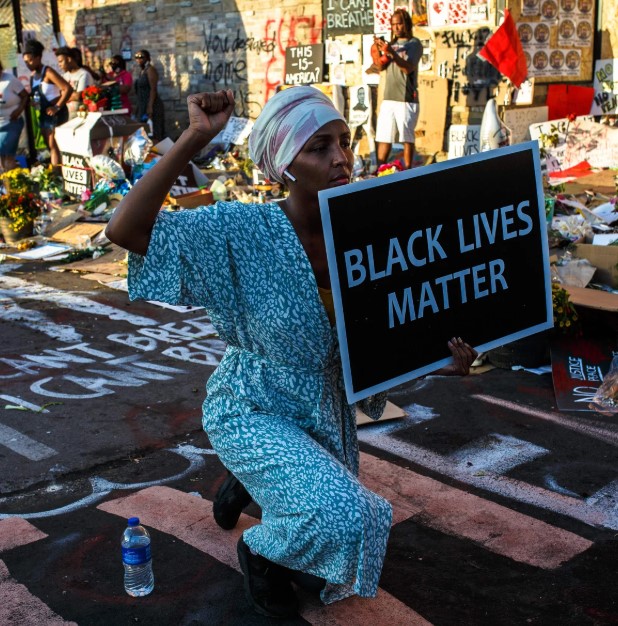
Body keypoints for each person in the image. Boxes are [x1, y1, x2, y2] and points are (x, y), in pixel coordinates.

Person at [105, 86, 477, 619]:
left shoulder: (367, 231)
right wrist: (195, 137)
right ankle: (258, 554)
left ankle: (253, 483)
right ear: (284, 164)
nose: (341, 159)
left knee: (327, 543)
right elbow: (126, 230)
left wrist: (440, 359)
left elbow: (392, 329)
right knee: (345, 520)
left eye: (345, 142)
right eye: (319, 147)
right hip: (253, 408)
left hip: (324, 413)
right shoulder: (241, 229)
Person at [374, 9, 423, 170]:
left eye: (399, 23)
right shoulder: (391, 45)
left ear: (406, 24)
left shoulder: (414, 44)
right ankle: (379, 171)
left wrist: (392, 53)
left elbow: (408, 68)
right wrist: (377, 52)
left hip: (406, 97)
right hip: (388, 97)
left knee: (406, 137)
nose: (396, 27)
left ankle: (408, 170)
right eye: (393, 24)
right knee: (384, 136)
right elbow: (380, 67)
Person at [23, 39, 73, 167]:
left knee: (53, 144)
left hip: (57, 113)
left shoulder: (48, 72)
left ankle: (56, 174)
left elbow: (67, 88)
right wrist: (34, 103)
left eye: (30, 60)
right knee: (49, 145)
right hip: (44, 114)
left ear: (38, 57)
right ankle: (55, 172)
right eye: (25, 62)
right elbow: (36, 97)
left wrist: (57, 106)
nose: (28, 64)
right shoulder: (32, 77)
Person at [0, 61, 29, 172]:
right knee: (4, 159)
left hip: (11, 123)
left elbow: (25, 96)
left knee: (5, 154)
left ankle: (13, 182)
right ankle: (10, 182)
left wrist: (19, 110)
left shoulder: (10, 79)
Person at [55, 46, 94, 119]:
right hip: (66, 118)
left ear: (69, 59)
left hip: (81, 117)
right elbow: (58, 95)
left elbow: (78, 96)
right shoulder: (64, 76)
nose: (59, 65)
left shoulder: (83, 74)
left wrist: (64, 95)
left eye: (61, 61)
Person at [134, 49, 165, 141]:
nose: (139, 59)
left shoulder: (150, 70)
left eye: (141, 57)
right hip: (142, 104)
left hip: (151, 104)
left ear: (147, 58)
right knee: (144, 133)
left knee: (154, 132)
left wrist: (150, 106)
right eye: (137, 57)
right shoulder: (142, 71)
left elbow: (153, 89)